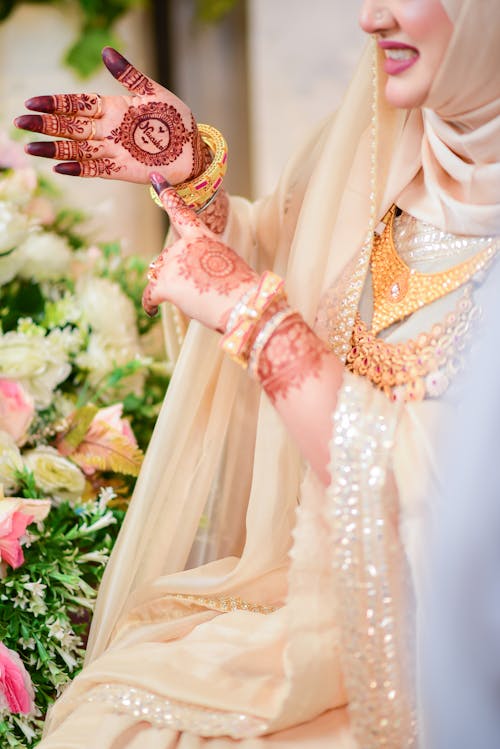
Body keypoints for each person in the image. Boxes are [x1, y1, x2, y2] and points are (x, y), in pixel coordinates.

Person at [14, 0, 500, 746]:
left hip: (434, 648)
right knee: (110, 716)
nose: (372, 17)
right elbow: (279, 261)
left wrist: (254, 316)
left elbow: (449, 515)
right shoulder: (382, 145)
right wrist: (190, 180)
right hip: (307, 598)